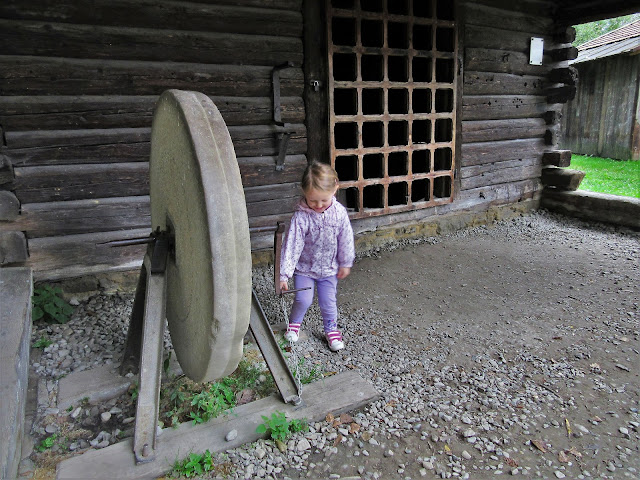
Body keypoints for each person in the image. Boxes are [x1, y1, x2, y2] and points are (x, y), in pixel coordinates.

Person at [279, 161, 355, 351]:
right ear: (304, 193)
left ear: (335, 188)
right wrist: (284, 274)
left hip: (329, 269)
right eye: (313, 200)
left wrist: (345, 262)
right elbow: (292, 246)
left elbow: (345, 238)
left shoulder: (339, 214)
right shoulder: (301, 217)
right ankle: (294, 323)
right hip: (305, 269)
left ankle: (331, 329)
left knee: (328, 302)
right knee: (303, 299)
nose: (319, 205)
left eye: (323, 200)